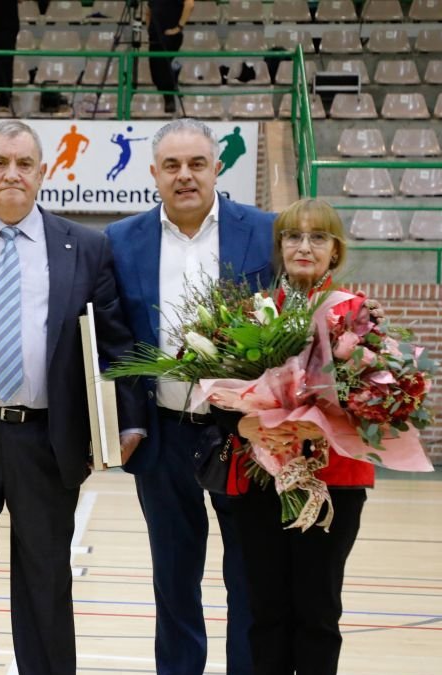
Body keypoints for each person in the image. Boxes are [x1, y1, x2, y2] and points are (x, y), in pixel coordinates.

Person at [0, 120, 145, 674]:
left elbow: (115, 343)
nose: (11, 174)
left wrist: (126, 424)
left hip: (48, 439)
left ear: (44, 172)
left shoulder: (85, 247)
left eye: (23, 164)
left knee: (45, 579)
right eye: (0, 163)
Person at [105, 118, 273, 675]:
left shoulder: (264, 232)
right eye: (172, 166)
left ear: (217, 168)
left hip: (244, 436)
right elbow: (111, 336)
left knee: (249, 577)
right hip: (163, 433)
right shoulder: (119, 240)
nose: (185, 176)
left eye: (197, 164)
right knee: (174, 580)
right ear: (154, 173)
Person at [231, 198, 375, 675]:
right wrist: (245, 420)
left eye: (318, 237)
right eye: (293, 236)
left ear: (335, 250)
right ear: (280, 247)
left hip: (333, 481)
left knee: (317, 610)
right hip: (263, 479)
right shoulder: (255, 313)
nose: (304, 247)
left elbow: (377, 402)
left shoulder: (356, 314)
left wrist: (328, 416)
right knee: (266, 610)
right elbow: (228, 393)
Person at [146, 0, 196, 115]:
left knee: (163, 67)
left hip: (170, 35)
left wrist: (179, 27)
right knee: (155, 71)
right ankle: (173, 78)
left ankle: (169, 98)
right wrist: (149, 29)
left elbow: (190, 4)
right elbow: (148, 11)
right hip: (155, 36)